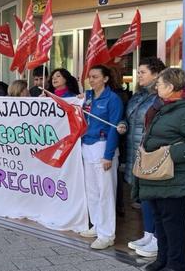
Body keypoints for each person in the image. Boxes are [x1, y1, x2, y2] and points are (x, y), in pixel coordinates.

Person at [133, 68, 185, 271]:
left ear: (170, 86)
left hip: (174, 178)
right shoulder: (162, 106)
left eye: (159, 83)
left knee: (173, 224)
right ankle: (163, 260)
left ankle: (176, 265)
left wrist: (171, 155)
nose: (156, 86)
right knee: (160, 222)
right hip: (156, 176)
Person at [116, 57, 166, 257]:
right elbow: (129, 119)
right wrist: (123, 125)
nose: (139, 75)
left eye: (143, 72)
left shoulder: (161, 97)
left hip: (151, 155)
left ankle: (156, 238)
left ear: (156, 74)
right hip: (134, 152)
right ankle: (148, 234)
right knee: (143, 196)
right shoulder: (137, 96)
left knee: (152, 197)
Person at [80, 65, 123, 250]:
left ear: (105, 79)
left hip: (102, 147)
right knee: (92, 191)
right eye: (90, 77)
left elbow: (114, 127)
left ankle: (107, 234)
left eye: (96, 77)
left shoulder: (113, 99)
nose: (92, 80)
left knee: (106, 193)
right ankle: (97, 225)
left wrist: (108, 155)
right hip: (87, 146)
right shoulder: (88, 96)